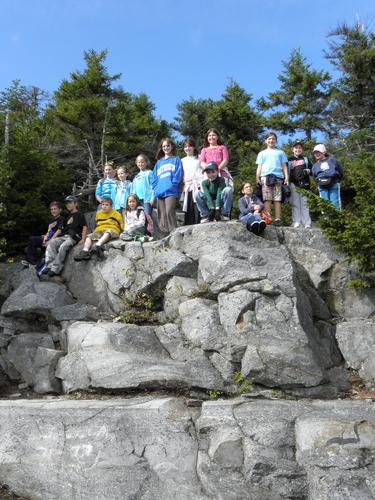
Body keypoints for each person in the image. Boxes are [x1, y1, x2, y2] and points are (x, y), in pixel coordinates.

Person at [43, 196, 88, 276]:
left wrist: (83, 239)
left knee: (63, 247)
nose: (68, 205)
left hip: (73, 237)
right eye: (67, 203)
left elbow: (85, 227)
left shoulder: (80, 214)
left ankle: (55, 269)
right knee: (51, 243)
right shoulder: (68, 215)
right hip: (64, 236)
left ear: (75, 204)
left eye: (70, 203)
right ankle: (50, 265)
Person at [255, 132, 289, 226]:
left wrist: (286, 177)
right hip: (265, 177)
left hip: (278, 177)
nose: (271, 140)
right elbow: (259, 166)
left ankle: (278, 219)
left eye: (273, 139)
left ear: (276, 140)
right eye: (269, 139)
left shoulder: (281, 152)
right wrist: (257, 177)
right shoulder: (262, 153)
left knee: (277, 199)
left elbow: (284, 166)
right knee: (267, 199)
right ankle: (268, 218)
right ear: (266, 141)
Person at [152, 138, 183, 237]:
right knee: (162, 214)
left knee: (169, 211)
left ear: (172, 146)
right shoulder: (159, 163)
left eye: (168, 145)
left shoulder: (176, 159)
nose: (166, 148)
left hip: (171, 191)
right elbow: (154, 177)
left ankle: (174, 233)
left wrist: (173, 184)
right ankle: (164, 235)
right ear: (161, 148)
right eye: (164, 146)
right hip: (160, 191)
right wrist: (156, 188)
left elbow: (179, 174)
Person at [22, 201, 65, 267]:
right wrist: (45, 236)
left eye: (55, 209)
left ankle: (33, 262)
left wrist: (50, 241)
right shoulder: (52, 220)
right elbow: (49, 231)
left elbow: (59, 231)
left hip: (54, 240)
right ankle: (31, 261)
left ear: (60, 210)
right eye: (52, 209)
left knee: (43, 255)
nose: (53, 211)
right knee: (33, 239)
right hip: (48, 239)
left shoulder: (61, 219)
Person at [288, 141, 312, 228]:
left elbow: (312, 170)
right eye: (296, 148)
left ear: (302, 150)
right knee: (295, 203)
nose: (298, 149)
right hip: (293, 184)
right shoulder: (289, 160)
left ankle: (306, 223)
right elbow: (286, 172)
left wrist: (309, 171)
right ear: (292, 149)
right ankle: (296, 221)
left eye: (300, 148)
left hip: (305, 184)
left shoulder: (305, 159)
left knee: (305, 204)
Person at [312, 144, 344, 210]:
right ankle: (326, 219)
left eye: (318, 152)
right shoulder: (315, 165)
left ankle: (337, 219)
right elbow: (314, 176)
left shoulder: (332, 160)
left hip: (334, 183)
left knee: (335, 202)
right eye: (315, 152)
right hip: (321, 186)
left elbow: (340, 170)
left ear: (324, 152)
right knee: (323, 203)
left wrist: (338, 180)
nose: (316, 154)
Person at [181, 139, 202, 225]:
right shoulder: (182, 160)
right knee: (188, 207)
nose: (187, 148)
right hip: (187, 186)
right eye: (185, 147)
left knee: (197, 206)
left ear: (193, 147)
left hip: (198, 185)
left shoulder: (199, 158)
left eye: (189, 146)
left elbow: (202, 171)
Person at [130, 154, 155, 218]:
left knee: (147, 216)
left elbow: (154, 186)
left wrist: (153, 197)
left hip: (147, 199)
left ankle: (149, 228)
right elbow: (133, 189)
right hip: (137, 200)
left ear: (146, 163)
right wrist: (132, 198)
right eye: (138, 162)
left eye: (142, 162)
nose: (140, 164)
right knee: (139, 217)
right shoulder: (136, 176)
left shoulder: (150, 173)